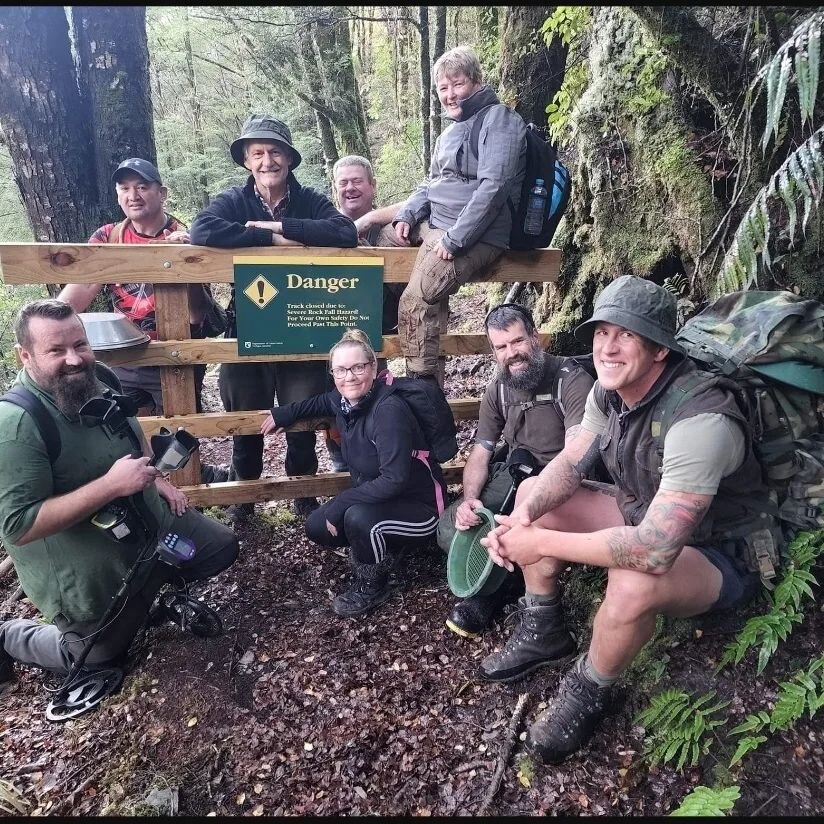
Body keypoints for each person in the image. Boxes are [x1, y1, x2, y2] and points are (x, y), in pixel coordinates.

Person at [479, 275, 782, 765]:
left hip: (721, 553)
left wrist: (541, 544)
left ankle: (589, 689)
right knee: (536, 491)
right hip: (642, 507)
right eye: (602, 332)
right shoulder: (609, 391)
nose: (608, 347)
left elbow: (655, 548)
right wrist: (522, 519)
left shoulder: (702, 420)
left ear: (660, 349)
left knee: (632, 581)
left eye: (627, 335)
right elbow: (571, 462)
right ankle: (543, 630)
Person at [0, 300, 239, 694]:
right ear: (24, 355)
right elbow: (18, 526)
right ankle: (10, 634)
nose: (74, 360)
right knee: (99, 656)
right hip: (91, 569)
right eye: (56, 351)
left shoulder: (101, 378)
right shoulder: (17, 426)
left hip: (148, 524)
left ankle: (152, 589)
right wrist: (111, 485)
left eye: (80, 344)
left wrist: (155, 477)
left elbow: (129, 431)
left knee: (221, 548)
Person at [190, 115, 357, 523]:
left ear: (289, 158)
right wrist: (272, 240)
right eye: (258, 153)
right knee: (245, 422)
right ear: (247, 161)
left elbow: (343, 232)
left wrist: (279, 224)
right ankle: (243, 499)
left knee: (301, 419)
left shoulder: (308, 199)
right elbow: (202, 230)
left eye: (275, 152)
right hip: (246, 329)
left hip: (301, 330)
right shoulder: (233, 200)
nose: (268, 161)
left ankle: (303, 493)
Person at [57, 157, 229, 485]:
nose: (133, 195)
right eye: (124, 188)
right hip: (120, 352)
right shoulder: (109, 237)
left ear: (161, 192)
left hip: (175, 350)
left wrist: (181, 260)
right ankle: (135, 487)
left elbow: (197, 314)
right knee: (111, 423)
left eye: (142, 187)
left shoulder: (185, 235)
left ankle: (186, 490)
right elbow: (77, 293)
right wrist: (48, 330)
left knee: (178, 431)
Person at [261, 329, 446, 618]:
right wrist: (283, 413)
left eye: (358, 367)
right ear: (333, 373)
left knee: (357, 517)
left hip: (422, 511)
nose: (350, 376)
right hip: (381, 502)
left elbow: (393, 480)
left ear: (373, 368)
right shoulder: (345, 400)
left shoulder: (388, 411)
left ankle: (373, 583)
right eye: (341, 370)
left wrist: (341, 502)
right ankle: (384, 543)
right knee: (317, 526)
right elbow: (322, 401)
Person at [436, 303, 594, 638]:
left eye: (518, 341)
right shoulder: (499, 390)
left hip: (560, 481)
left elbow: (577, 454)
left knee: (519, 528)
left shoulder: (571, 381)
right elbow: (481, 452)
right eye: (502, 347)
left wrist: (532, 500)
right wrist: (470, 501)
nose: (512, 353)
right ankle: (503, 578)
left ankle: (494, 593)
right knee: (451, 528)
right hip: (512, 473)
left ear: (535, 338)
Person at [388, 46, 527, 380]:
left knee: (418, 300)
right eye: (443, 88)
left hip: (478, 234)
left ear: (476, 82)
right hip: (436, 225)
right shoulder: (449, 131)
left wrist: (456, 239)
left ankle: (421, 393)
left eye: (457, 84)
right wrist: (408, 215)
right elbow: (431, 183)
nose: (449, 95)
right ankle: (415, 379)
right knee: (383, 244)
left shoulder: (501, 120)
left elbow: (494, 189)